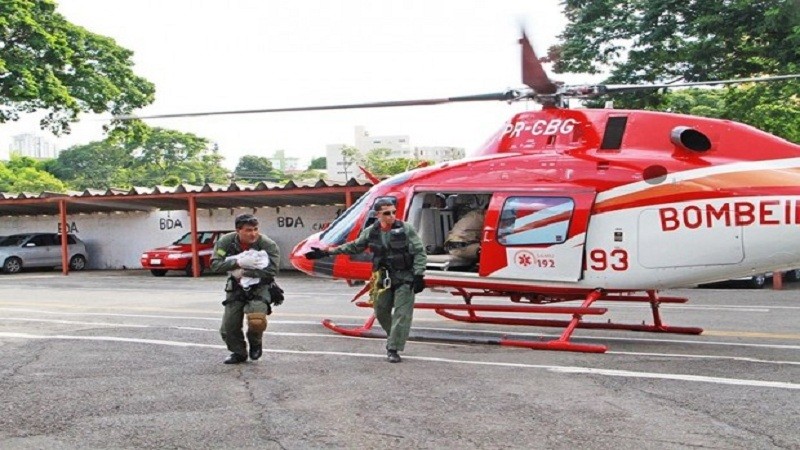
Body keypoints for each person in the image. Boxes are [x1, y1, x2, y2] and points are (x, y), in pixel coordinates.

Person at [305, 199, 427, 363]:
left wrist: (419, 275)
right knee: (381, 310)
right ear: (377, 215)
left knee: (402, 314)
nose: (391, 216)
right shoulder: (371, 231)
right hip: (382, 277)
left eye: (393, 212)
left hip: (405, 277)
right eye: (386, 213)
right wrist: (328, 252)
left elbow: (420, 252)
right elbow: (354, 246)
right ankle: (396, 336)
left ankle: (393, 348)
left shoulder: (406, 229)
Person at [210, 214, 280, 365]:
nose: (253, 233)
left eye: (255, 229)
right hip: (236, 286)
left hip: (260, 286)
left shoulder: (267, 244)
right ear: (238, 230)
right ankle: (238, 352)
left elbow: (272, 270)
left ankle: (255, 342)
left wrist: (244, 272)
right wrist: (238, 262)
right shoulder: (225, 242)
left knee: (256, 320)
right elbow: (215, 264)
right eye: (248, 230)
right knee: (229, 327)